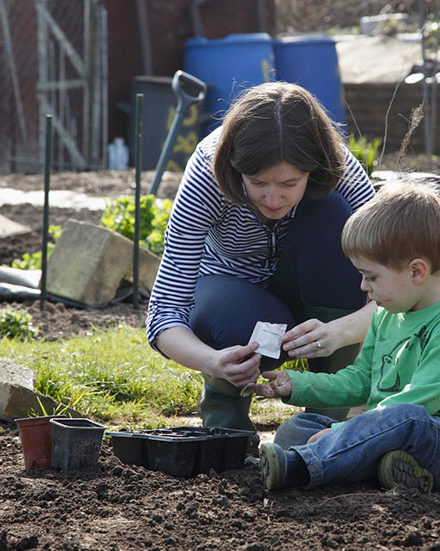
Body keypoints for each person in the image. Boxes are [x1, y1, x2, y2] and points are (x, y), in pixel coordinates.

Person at [145, 82, 378, 432]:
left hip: (311, 289)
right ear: (235, 168)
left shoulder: (337, 165)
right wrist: (212, 361)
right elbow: (163, 312)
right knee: (249, 323)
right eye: (257, 182)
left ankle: (326, 420)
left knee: (334, 212)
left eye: (288, 184)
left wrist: (340, 332)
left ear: (312, 168)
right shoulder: (208, 172)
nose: (272, 199)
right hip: (228, 290)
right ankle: (227, 424)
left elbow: (395, 282)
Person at [252, 180, 440, 494]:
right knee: (297, 430)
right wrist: (299, 386)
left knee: (409, 418)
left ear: (416, 271)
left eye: (371, 277)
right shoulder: (385, 314)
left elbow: (417, 402)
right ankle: (386, 470)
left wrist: (342, 431)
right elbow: (362, 380)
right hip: (380, 431)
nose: (364, 287)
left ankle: (303, 467)